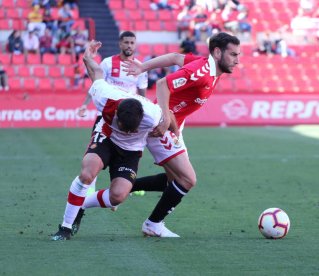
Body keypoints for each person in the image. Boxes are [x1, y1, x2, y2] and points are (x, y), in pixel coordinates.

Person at [77, 32, 240, 237]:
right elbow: (164, 84)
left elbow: (174, 57)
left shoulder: (206, 65)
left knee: (174, 182)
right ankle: (152, 223)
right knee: (187, 179)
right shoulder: (202, 71)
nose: (237, 60)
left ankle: (127, 187)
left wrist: (143, 67)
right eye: (233, 55)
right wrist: (164, 118)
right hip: (162, 127)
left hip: (174, 126)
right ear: (217, 52)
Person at [51, 40, 165, 240]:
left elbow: (170, 119)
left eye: (131, 129)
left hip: (130, 151)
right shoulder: (105, 97)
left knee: (117, 196)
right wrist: (87, 56)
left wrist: (165, 130)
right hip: (106, 137)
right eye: (123, 126)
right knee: (87, 173)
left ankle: (81, 204)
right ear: (117, 116)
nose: (126, 131)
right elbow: (96, 73)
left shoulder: (154, 114)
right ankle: (65, 227)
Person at [77, 31, 148, 196]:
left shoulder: (140, 67)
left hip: (127, 118)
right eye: (126, 42)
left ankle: (123, 184)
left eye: (132, 43)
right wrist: (84, 105)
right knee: (95, 152)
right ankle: (90, 189)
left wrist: (142, 116)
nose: (129, 46)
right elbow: (97, 84)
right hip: (107, 116)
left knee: (125, 152)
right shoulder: (108, 63)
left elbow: (142, 94)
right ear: (120, 44)